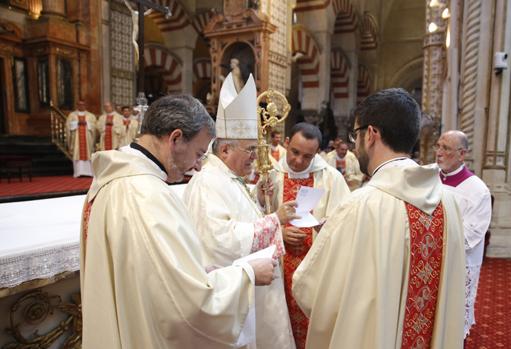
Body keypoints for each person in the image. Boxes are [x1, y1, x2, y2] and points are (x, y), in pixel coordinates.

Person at [80, 94, 276, 348]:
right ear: (175, 139)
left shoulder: (109, 180)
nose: (196, 166)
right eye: (198, 153)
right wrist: (247, 275)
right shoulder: (147, 195)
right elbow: (186, 304)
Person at [292, 88, 466, 349]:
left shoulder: (360, 206)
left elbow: (315, 293)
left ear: (371, 135)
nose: (354, 143)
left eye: (355, 135)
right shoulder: (450, 202)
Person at [184, 73, 297, 349]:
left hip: (255, 291)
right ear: (224, 149)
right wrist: (275, 220)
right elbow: (219, 241)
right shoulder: (208, 182)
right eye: (249, 149)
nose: (256, 157)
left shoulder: (228, 178)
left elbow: (239, 218)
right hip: (235, 301)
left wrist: (258, 199)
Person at [267, 122, 350, 348]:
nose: (299, 161)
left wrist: (325, 229)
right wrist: (279, 231)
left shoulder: (331, 178)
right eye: (295, 152)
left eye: (307, 156)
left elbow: (346, 221)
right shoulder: (271, 177)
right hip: (279, 269)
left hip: (316, 270)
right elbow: (257, 219)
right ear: (286, 143)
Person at [435, 130, 492, 338]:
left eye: (446, 148)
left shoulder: (477, 191)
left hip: (457, 264)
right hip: (426, 263)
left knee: (451, 323)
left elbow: (471, 236)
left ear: (462, 154)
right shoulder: (429, 179)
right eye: (438, 146)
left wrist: (431, 238)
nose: (439, 153)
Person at [66, 100, 97, 177]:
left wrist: (87, 123)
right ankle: (78, 173)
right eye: (79, 105)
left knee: (88, 153)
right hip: (76, 139)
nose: (81, 106)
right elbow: (68, 126)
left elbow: (95, 126)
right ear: (77, 105)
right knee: (77, 153)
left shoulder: (91, 116)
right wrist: (77, 123)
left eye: (83, 105)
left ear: (85, 105)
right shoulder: (72, 115)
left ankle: (89, 173)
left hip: (87, 139)